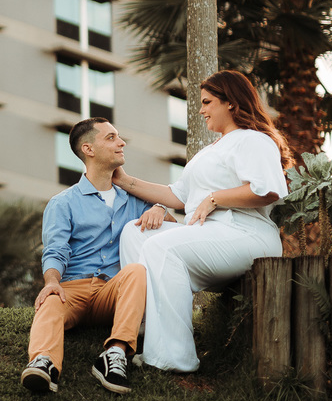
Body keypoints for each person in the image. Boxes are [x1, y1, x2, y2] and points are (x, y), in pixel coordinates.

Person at [114, 70, 292, 373]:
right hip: (209, 235)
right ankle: (143, 328)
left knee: (162, 248)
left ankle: (173, 358)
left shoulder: (254, 140)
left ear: (231, 102)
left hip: (247, 234)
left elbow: (267, 191)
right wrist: (124, 180)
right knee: (136, 232)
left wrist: (215, 198)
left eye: (207, 102)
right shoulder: (208, 152)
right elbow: (178, 196)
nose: (201, 110)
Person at [21, 117, 175, 395]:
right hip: (72, 290)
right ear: (88, 149)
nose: (121, 143)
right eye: (111, 137)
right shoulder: (63, 203)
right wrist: (52, 282)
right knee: (51, 298)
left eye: (119, 137)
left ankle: (115, 353)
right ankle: (44, 363)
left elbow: (174, 232)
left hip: (113, 292)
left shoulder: (136, 200)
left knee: (136, 271)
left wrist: (160, 209)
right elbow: (55, 249)